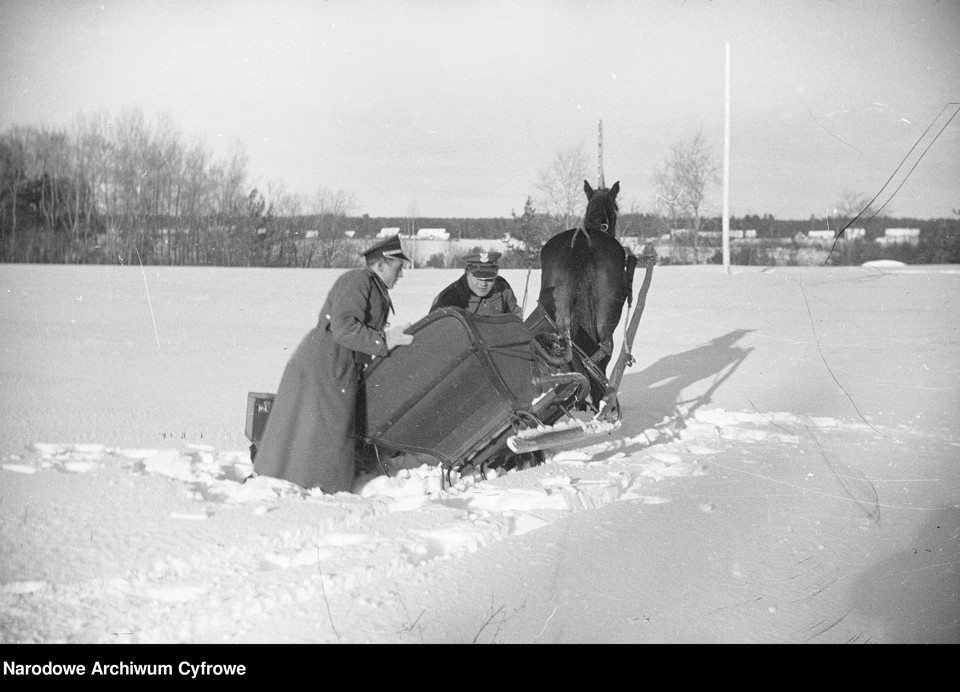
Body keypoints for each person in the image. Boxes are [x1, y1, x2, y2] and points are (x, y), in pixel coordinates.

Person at [253, 235, 414, 493]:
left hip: (337, 361)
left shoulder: (372, 286)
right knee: (323, 427)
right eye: (399, 267)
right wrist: (384, 341)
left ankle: (302, 481)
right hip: (327, 359)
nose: (401, 274)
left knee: (317, 426)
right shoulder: (359, 280)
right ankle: (313, 486)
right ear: (382, 265)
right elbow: (343, 327)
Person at [430, 251, 523, 317]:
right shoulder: (448, 298)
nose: (483, 284)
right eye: (478, 279)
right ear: (467, 273)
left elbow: (515, 314)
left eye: (489, 279)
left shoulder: (502, 288)